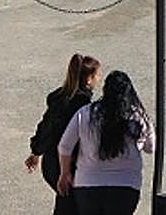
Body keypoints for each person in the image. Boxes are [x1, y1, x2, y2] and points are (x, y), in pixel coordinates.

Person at [58, 71, 155, 215]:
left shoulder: (86, 113)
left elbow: (65, 146)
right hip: (126, 185)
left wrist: (65, 173)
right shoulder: (136, 116)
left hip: (88, 183)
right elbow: (151, 147)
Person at [26, 54, 102, 215]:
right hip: (68, 166)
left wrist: (36, 152)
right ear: (89, 79)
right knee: (71, 207)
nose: (99, 78)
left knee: (67, 205)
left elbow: (46, 127)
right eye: (97, 75)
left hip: (51, 164)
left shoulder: (59, 98)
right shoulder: (83, 106)